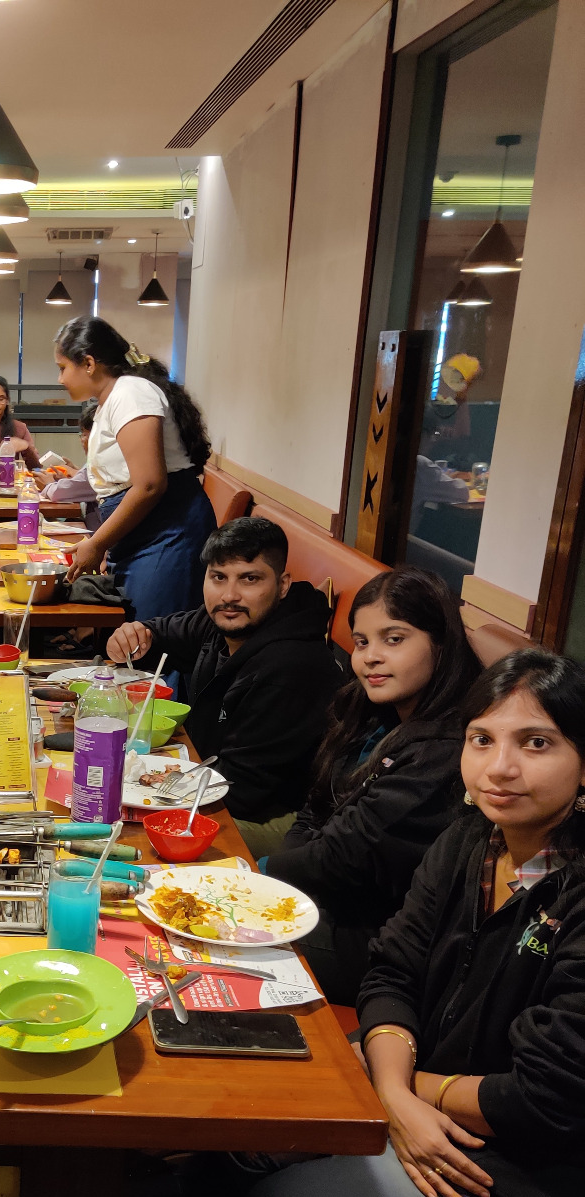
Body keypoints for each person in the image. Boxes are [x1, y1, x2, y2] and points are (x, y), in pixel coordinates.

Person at [234, 649, 585, 1197]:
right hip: (432, 1093)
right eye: (482, 739)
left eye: (537, 742)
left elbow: (546, 1098)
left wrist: (408, 1092)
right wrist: (395, 1096)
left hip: (535, 1175)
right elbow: (391, 968)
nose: (499, 767)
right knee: (250, 1127)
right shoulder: (474, 840)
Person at [264, 568, 481, 1003]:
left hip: (374, 943)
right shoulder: (374, 711)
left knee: (213, 928)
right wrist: (276, 875)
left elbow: (343, 857)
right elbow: (315, 805)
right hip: (329, 902)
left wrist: (261, 876)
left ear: (441, 643)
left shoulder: (445, 750)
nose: (370, 657)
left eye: (394, 639)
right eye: (362, 642)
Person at [107, 517, 344, 856]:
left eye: (250, 579)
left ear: (282, 585)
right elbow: (161, 634)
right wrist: (133, 635)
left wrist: (149, 781)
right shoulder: (222, 622)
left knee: (127, 834)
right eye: (218, 577)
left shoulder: (292, 667)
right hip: (214, 782)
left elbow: (242, 792)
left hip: (278, 822)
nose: (230, 596)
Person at [54, 317, 216, 619]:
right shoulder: (109, 401)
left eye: (62, 368)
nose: (60, 379)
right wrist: (106, 542)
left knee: (153, 633)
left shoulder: (130, 393)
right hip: (139, 530)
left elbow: (150, 484)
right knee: (134, 632)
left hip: (167, 531)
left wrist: (99, 542)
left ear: (88, 363)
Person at [39, 397, 101, 532]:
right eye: (81, 434)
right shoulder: (98, 459)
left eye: (85, 434)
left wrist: (48, 484)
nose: (82, 440)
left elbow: (59, 493)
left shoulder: (100, 463)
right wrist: (74, 472)